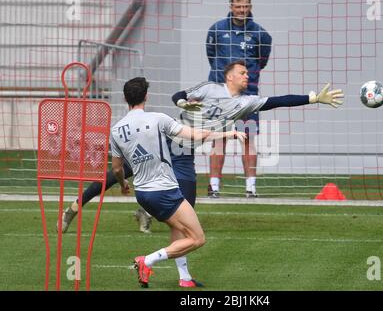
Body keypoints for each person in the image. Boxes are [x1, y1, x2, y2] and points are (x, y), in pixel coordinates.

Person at [58, 61, 343, 285]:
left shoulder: (245, 103)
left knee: (183, 207)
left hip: (184, 153)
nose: (247, 76)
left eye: (247, 73)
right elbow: (178, 95)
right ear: (229, 76)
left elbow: (278, 100)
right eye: (242, 72)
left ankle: (182, 275)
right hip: (167, 141)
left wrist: (314, 97)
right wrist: (184, 104)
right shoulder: (209, 88)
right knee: (118, 174)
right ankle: (74, 207)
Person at [110, 77, 245, 288]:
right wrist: (230, 132)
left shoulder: (116, 129)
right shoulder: (158, 119)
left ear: (125, 98)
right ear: (146, 96)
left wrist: (122, 184)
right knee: (197, 238)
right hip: (164, 190)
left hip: (143, 194)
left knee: (180, 231)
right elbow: (196, 134)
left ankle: (184, 278)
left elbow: (117, 168)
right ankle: (147, 260)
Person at [206, 0, 272, 198]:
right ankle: (214, 187)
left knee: (248, 140)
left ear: (250, 7)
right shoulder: (216, 30)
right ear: (231, 6)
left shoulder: (261, 35)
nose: (242, 10)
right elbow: (211, 55)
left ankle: (251, 188)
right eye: (238, 6)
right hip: (220, 97)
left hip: (248, 97)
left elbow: (262, 62)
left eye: (245, 7)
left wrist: (243, 82)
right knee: (218, 139)